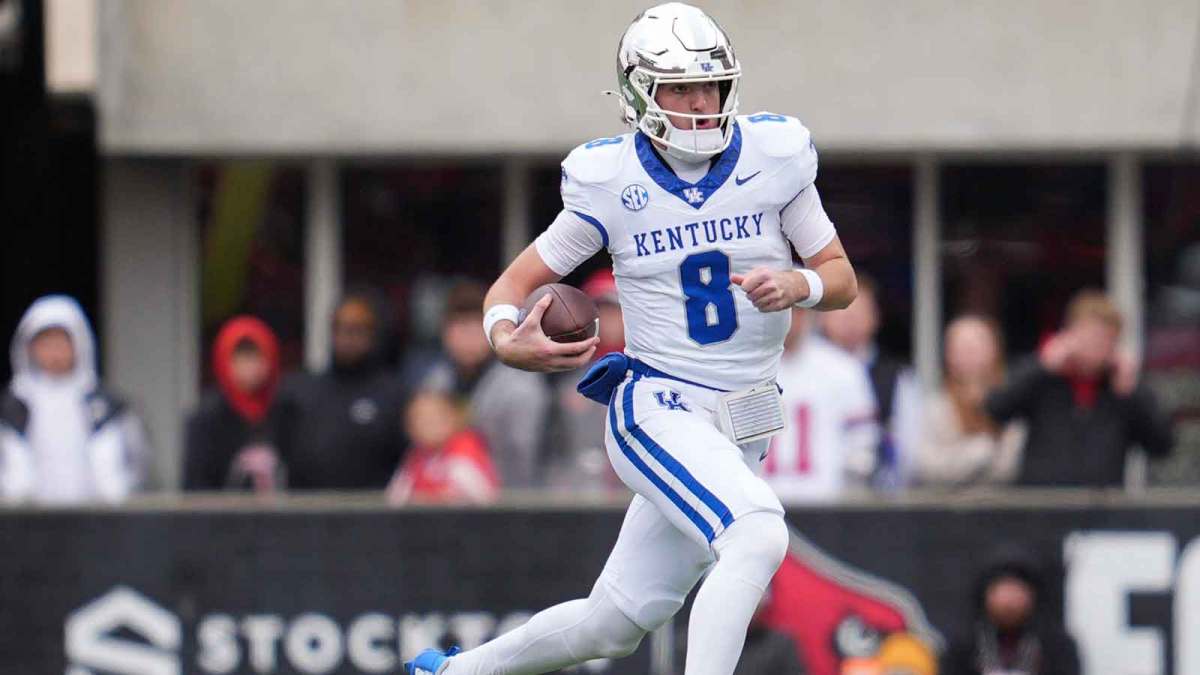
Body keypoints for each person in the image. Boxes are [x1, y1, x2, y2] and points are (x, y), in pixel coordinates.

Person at [406, 4, 858, 674]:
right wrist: (507, 341)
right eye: (680, 88)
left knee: (613, 622)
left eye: (709, 85)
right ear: (639, 93)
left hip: (747, 414)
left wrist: (801, 287)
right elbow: (509, 288)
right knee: (757, 531)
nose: (700, 102)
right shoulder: (612, 180)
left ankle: (453, 673)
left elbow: (840, 277)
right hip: (660, 405)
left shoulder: (774, 156)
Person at [985, 289, 1174, 487]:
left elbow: (1162, 446)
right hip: (1042, 505)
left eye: (1103, 339)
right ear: (1069, 335)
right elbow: (996, 409)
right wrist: (1041, 367)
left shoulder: (1123, 390)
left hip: (1104, 509)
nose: (1093, 346)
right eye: (1087, 336)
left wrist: (1134, 394)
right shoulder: (1043, 380)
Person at [0, 295, 148, 503]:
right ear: (29, 347)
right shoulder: (13, 406)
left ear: (79, 343)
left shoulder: (106, 404)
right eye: (45, 343)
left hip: (94, 521)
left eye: (61, 341)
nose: (54, 352)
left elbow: (137, 466)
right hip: (29, 523)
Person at [416, 281, 551, 489]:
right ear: (445, 332)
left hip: (509, 503)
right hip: (446, 502)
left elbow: (526, 460)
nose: (467, 338)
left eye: (475, 328)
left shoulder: (521, 385)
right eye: (459, 327)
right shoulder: (436, 381)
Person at [274, 289, 406, 489]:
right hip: (307, 512)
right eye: (341, 328)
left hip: (374, 513)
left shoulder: (394, 394)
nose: (348, 337)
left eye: (357, 329)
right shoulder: (300, 391)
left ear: (373, 334)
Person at [765, 307, 878, 502]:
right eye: (781, 309)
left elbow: (862, 446)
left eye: (797, 310)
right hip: (760, 505)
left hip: (825, 503)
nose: (790, 318)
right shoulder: (744, 369)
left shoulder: (844, 368)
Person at [819, 275, 921, 489]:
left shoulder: (898, 377)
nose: (849, 320)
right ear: (822, 318)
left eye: (859, 312)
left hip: (877, 497)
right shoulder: (798, 372)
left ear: (875, 318)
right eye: (841, 310)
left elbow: (909, 449)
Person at [915, 315, 1025, 488]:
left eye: (976, 347)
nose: (969, 354)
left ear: (994, 350)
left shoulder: (1013, 401)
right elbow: (925, 467)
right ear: (948, 355)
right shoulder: (936, 406)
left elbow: (1012, 464)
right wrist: (978, 453)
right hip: (948, 509)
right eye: (961, 348)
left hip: (1002, 507)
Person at [544, 268, 625, 491]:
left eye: (615, 311)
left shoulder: (650, 368)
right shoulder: (564, 368)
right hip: (576, 491)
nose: (608, 320)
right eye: (601, 311)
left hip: (634, 488)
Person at [183, 316, 283, 492]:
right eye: (241, 359)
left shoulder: (283, 412)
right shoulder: (207, 418)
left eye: (257, 358)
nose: (250, 368)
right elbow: (195, 484)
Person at [941, 548, 1080, 675]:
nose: (1009, 601)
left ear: (1032, 596)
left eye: (1016, 591)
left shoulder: (1057, 647)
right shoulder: (963, 646)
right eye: (1001, 592)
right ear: (986, 596)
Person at [386, 389, 499, 505]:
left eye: (434, 418)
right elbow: (395, 499)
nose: (428, 425)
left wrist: (437, 498)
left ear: (454, 417)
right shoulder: (415, 457)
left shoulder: (464, 453)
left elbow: (484, 498)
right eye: (419, 419)